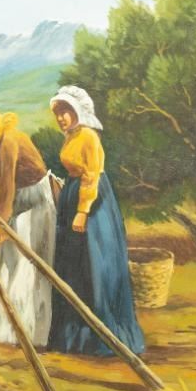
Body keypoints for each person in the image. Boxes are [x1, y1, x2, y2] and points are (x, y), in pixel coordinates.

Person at [46, 85, 146, 357]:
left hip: (93, 203)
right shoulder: (72, 136)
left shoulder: (88, 136)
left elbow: (92, 175)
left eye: (66, 111)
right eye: (58, 113)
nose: (61, 118)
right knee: (73, 265)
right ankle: (76, 337)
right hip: (74, 194)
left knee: (94, 263)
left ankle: (103, 336)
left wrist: (82, 210)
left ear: (78, 110)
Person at [0, 106, 58, 347]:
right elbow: (5, 188)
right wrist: (2, 223)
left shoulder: (8, 141)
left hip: (36, 203)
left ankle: (30, 333)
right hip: (21, 201)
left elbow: (6, 187)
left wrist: (1, 224)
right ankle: (10, 329)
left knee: (26, 266)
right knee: (8, 263)